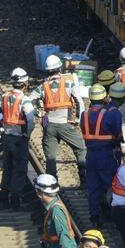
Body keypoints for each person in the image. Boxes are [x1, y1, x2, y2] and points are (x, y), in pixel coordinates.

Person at [28, 54, 86, 183]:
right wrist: (78, 120)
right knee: (81, 149)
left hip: (49, 126)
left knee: (51, 157)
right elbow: (79, 102)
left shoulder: (43, 86)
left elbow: (29, 100)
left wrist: (38, 113)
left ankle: (52, 183)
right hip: (65, 124)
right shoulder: (69, 83)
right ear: (59, 68)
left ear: (47, 70)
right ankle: (84, 180)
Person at [0, 68, 34, 210]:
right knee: (19, 170)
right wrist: (27, 134)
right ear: (25, 83)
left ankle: (3, 200)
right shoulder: (25, 100)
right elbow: (31, 120)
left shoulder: (4, 96)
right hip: (19, 139)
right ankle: (15, 201)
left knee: (7, 168)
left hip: (7, 138)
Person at [80, 83, 122, 225]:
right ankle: (114, 215)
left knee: (93, 188)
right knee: (111, 186)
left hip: (90, 156)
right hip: (106, 156)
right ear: (105, 98)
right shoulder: (112, 113)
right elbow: (118, 136)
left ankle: (95, 218)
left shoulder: (83, 115)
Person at [108, 82, 125, 154]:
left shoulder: (105, 109)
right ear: (123, 98)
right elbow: (117, 135)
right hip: (110, 151)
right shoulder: (116, 113)